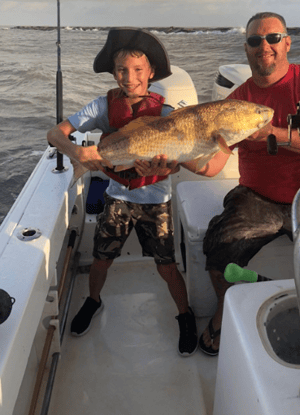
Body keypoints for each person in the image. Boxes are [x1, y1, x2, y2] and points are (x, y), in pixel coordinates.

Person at [180, 11, 300, 356]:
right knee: (218, 253)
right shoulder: (235, 101)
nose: (263, 46)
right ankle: (227, 315)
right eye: (255, 40)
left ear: (287, 42)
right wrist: (174, 158)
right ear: (246, 48)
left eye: (272, 38)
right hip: (257, 198)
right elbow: (214, 164)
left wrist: (273, 134)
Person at [47, 27, 198, 356]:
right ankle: (93, 301)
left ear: (151, 72)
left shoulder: (167, 113)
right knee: (101, 259)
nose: (129, 78)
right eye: (121, 70)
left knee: (167, 266)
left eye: (138, 70)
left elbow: (177, 162)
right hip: (117, 196)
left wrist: (163, 168)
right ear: (113, 73)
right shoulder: (103, 106)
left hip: (157, 200)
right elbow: (55, 132)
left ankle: (184, 316)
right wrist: (78, 154)